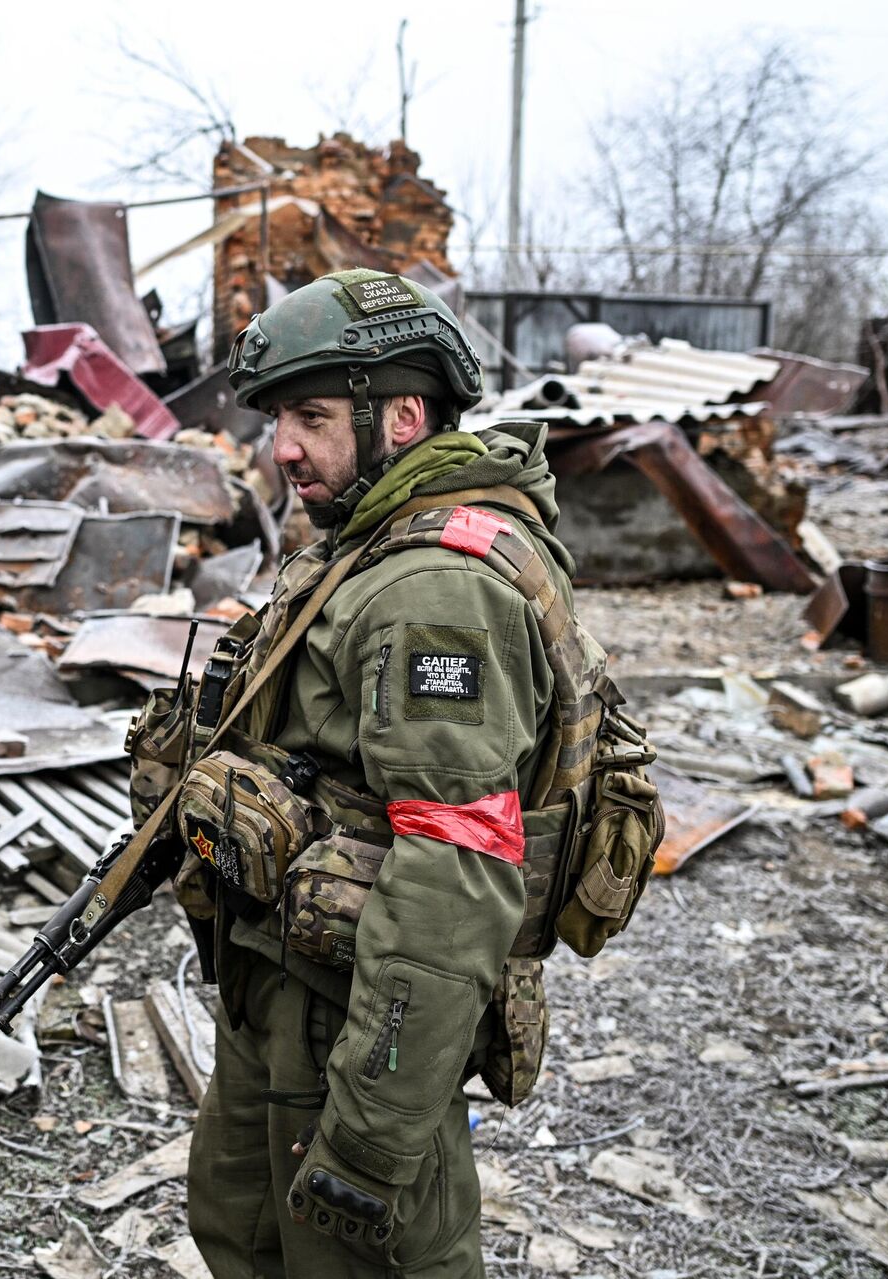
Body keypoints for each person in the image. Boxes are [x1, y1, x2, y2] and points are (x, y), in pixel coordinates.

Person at [148, 268, 609, 1277]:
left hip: (355, 1023)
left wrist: (374, 1130)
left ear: (402, 414)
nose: (285, 447)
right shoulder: (362, 546)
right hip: (284, 987)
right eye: (279, 418)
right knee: (242, 1232)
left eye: (311, 415)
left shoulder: (434, 590)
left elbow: (455, 874)